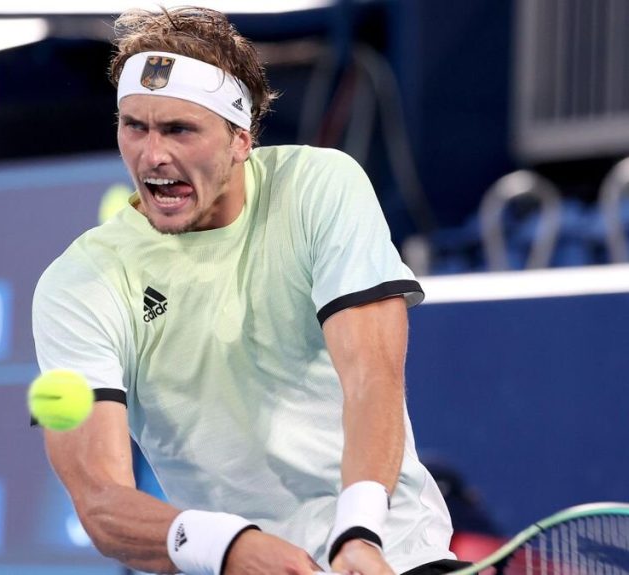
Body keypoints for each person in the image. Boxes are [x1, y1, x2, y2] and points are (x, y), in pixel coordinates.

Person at [32, 6, 464, 575]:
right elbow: (102, 503)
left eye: (179, 129)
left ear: (241, 139)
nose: (152, 155)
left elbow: (371, 377)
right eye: (134, 126)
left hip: (394, 555)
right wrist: (230, 546)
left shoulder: (318, 187)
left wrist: (358, 532)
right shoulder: (81, 282)